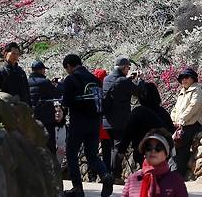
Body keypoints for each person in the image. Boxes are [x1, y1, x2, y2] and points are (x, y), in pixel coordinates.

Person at [61, 54, 113, 197]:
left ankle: (77, 188)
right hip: (95, 122)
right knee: (92, 155)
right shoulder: (95, 79)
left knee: (71, 153)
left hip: (78, 121)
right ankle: (105, 175)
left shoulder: (71, 79)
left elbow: (66, 102)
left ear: (69, 66)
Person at [102, 55, 144, 175]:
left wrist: (129, 79)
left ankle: (110, 173)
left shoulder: (107, 79)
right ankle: (115, 175)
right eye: (128, 67)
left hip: (107, 120)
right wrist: (140, 79)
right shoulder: (124, 81)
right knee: (118, 148)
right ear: (124, 67)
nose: (128, 70)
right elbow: (138, 92)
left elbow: (118, 90)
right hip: (119, 121)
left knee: (112, 148)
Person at [117, 82, 175, 167]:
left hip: (143, 152)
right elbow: (171, 130)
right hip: (162, 151)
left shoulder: (137, 112)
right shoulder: (163, 112)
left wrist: (121, 151)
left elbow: (127, 134)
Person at [122, 128, 188, 197]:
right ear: (144, 153)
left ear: (166, 154)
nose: (153, 151)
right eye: (148, 148)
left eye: (158, 148)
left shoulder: (176, 181)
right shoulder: (133, 179)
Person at [170, 67, 202, 178]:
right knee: (173, 147)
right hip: (180, 124)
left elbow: (193, 107)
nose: (183, 80)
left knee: (181, 147)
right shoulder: (182, 92)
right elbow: (175, 108)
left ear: (192, 79)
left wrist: (181, 120)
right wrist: (173, 120)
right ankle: (171, 171)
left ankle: (176, 173)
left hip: (191, 123)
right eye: (181, 78)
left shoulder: (197, 90)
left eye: (186, 77)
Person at [28, 60, 61, 154]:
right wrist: (58, 85)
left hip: (32, 116)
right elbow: (56, 93)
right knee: (49, 144)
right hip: (46, 118)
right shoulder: (45, 82)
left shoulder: (26, 82)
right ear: (41, 70)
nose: (44, 72)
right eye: (43, 69)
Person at [92, 68, 113, 176]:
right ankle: (107, 171)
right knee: (107, 150)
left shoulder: (93, 90)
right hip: (106, 124)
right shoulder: (108, 89)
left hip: (94, 125)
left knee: (92, 150)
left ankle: (94, 172)